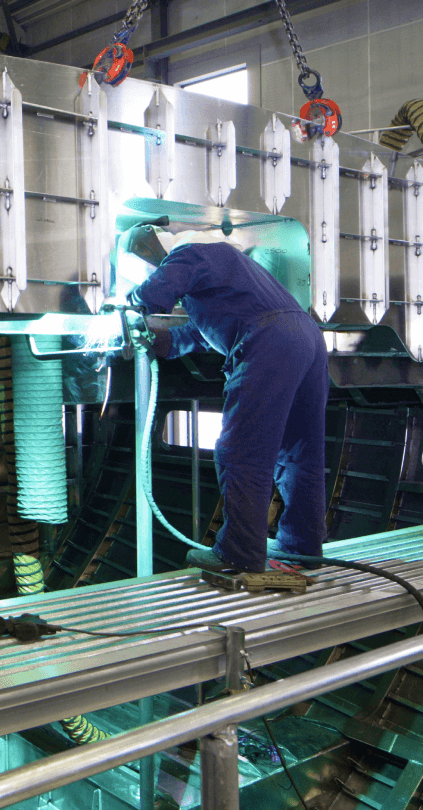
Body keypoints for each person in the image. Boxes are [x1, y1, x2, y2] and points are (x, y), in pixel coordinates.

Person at [121, 224, 328, 573]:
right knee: (298, 452)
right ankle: (303, 545)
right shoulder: (227, 267)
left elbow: (155, 293)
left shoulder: (190, 252)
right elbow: (203, 332)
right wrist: (164, 343)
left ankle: (239, 553)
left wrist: (130, 304)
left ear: (153, 250)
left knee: (240, 450)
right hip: (306, 338)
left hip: (268, 341)